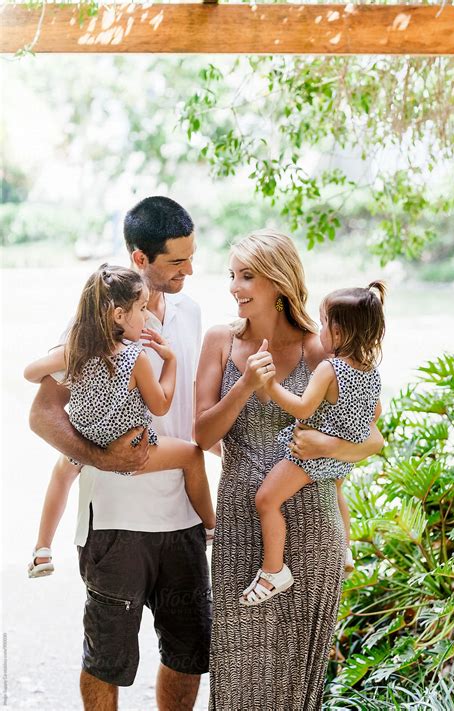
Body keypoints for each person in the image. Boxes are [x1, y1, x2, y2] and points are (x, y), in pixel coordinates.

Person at [28, 197, 212, 711]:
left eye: (191, 256)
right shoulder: (92, 324)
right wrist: (104, 458)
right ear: (139, 259)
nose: (190, 270)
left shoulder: (192, 314)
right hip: (113, 524)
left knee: (187, 653)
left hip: (182, 518)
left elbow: (192, 405)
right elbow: (42, 414)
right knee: (106, 661)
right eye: (177, 262)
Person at [195, 229, 384, 710]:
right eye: (232, 276)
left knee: (297, 677)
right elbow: (201, 436)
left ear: (278, 283)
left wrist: (327, 442)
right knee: (238, 668)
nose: (235, 287)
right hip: (241, 517)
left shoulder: (322, 350)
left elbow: (374, 438)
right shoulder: (220, 340)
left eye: (247, 276)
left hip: (314, 524)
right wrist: (244, 388)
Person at [24, 264, 215, 579]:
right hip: (132, 446)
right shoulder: (135, 357)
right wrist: (171, 361)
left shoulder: (78, 351)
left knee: (62, 474)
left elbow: (30, 373)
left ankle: (42, 549)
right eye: (140, 309)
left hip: (87, 441)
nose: (145, 316)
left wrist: (63, 356)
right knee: (191, 456)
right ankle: (210, 526)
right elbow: (162, 403)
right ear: (118, 316)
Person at [240, 282, 385, 606]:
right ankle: (345, 548)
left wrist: (270, 384)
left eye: (323, 324)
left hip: (309, 456)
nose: (319, 331)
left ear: (340, 332)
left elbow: (302, 408)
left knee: (266, 500)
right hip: (341, 459)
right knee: (336, 491)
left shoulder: (329, 369)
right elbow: (374, 413)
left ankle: (273, 570)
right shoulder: (371, 373)